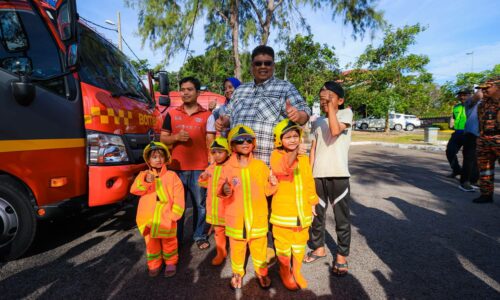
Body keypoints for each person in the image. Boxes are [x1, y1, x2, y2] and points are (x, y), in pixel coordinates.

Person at [215, 44, 311, 265]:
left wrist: (299, 115)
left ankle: (266, 248)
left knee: (265, 207)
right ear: (251, 66)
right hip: (239, 163)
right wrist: (224, 120)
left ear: (273, 65)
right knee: (239, 202)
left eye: (267, 63)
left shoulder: (284, 87)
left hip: (267, 162)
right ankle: (242, 241)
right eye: (258, 63)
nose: (263, 67)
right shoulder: (240, 91)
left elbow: (305, 113)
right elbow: (228, 115)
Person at [218, 125, 278, 290]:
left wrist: (272, 184)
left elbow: (267, 191)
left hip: (257, 218)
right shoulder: (227, 168)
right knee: (237, 247)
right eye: (239, 140)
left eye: (248, 140)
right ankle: (237, 272)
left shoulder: (260, 166)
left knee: (259, 247)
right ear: (232, 145)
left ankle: (261, 272)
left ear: (253, 143)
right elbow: (220, 189)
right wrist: (224, 189)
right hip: (236, 219)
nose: (244, 143)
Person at [303, 81, 353, 277]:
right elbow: (313, 151)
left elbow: (334, 130)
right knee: (316, 215)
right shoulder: (316, 122)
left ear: (340, 100)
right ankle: (319, 248)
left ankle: (341, 255)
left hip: (339, 175)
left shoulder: (345, 114)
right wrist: (308, 176)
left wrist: (332, 107)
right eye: (322, 98)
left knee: (341, 218)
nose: (325, 101)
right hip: (318, 176)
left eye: (329, 97)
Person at [160, 77, 215, 250]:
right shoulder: (171, 114)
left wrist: (210, 166)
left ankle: (199, 235)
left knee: (200, 205)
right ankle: (176, 238)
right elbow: (162, 139)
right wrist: (176, 138)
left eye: (189, 89)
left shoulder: (207, 115)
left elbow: (210, 141)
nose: (185, 92)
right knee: (177, 206)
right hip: (175, 169)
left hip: (200, 168)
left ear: (198, 92)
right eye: (182, 89)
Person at [270, 119, 318, 290]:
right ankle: (285, 272)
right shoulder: (276, 155)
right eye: (288, 137)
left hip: (302, 213)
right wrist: (297, 151)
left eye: (295, 136)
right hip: (283, 214)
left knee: (300, 244)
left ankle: (296, 271)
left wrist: (313, 202)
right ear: (279, 140)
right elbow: (284, 167)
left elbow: (309, 181)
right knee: (283, 245)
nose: (292, 140)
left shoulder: (303, 158)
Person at [130, 142, 185, 277]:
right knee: (151, 243)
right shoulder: (143, 174)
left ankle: (171, 262)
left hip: (167, 215)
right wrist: (145, 181)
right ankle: (154, 264)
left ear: (165, 158)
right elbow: (134, 190)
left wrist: (175, 214)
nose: (158, 159)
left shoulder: (172, 176)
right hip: (149, 216)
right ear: (148, 160)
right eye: (154, 157)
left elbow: (179, 195)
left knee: (169, 241)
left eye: (161, 156)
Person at [198, 137, 231, 265]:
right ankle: (221, 252)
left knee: (233, 233)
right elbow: (203, 183)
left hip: (227, 207)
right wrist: (204, 176)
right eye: (214, 152)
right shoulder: (211, 167)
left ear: (227, 152)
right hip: (215, 208)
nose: (217, 155)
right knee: (218, 232)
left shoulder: (231, 167)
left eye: (220, 152)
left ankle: (236, 253)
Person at [473, 76, 499, 203]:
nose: (484, 91)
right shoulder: (482, 104)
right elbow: (480, 121)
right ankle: (486, 194)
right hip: (484, 138)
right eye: (482, 89)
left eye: (487, 88)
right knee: (484, 168)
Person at [459, 88, 482, 192]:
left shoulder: (487, 103)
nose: (462, 97)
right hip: (471, 133)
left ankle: (474, 180)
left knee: (478, 159)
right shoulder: (469, 102)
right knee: (469, 159)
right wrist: (484, 87)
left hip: (481, 135)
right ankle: (464, 182)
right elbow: (479, 95)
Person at [446, 90, 469, 178]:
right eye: (460, 95)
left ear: (469, 96)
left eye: (464, 95)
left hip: (468, 133)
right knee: (450, 151)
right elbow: (454, 118)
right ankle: (456, 170)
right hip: (457, 132)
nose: (462, 97)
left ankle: (470, 177)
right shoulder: (456, 107)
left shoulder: (473, 106)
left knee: (468, 155)